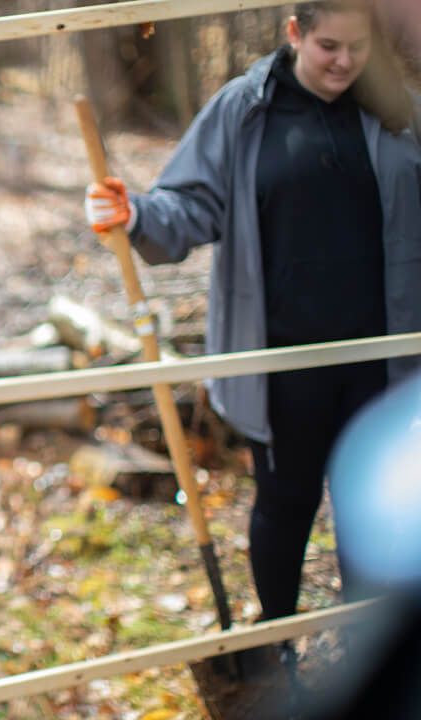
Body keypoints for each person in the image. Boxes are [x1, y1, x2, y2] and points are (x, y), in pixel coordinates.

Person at [84, 0, 420, 644]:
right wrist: (134, 215)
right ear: (294, 33)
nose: (344, 62)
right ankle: (273, 646)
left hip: (383, 358)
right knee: (285, 503)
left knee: (369, 508)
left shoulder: (398, 111)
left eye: (357, 47)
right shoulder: (246, 109)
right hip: (279, 361)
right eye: (328, 46)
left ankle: (368, 653)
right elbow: (186, 205)